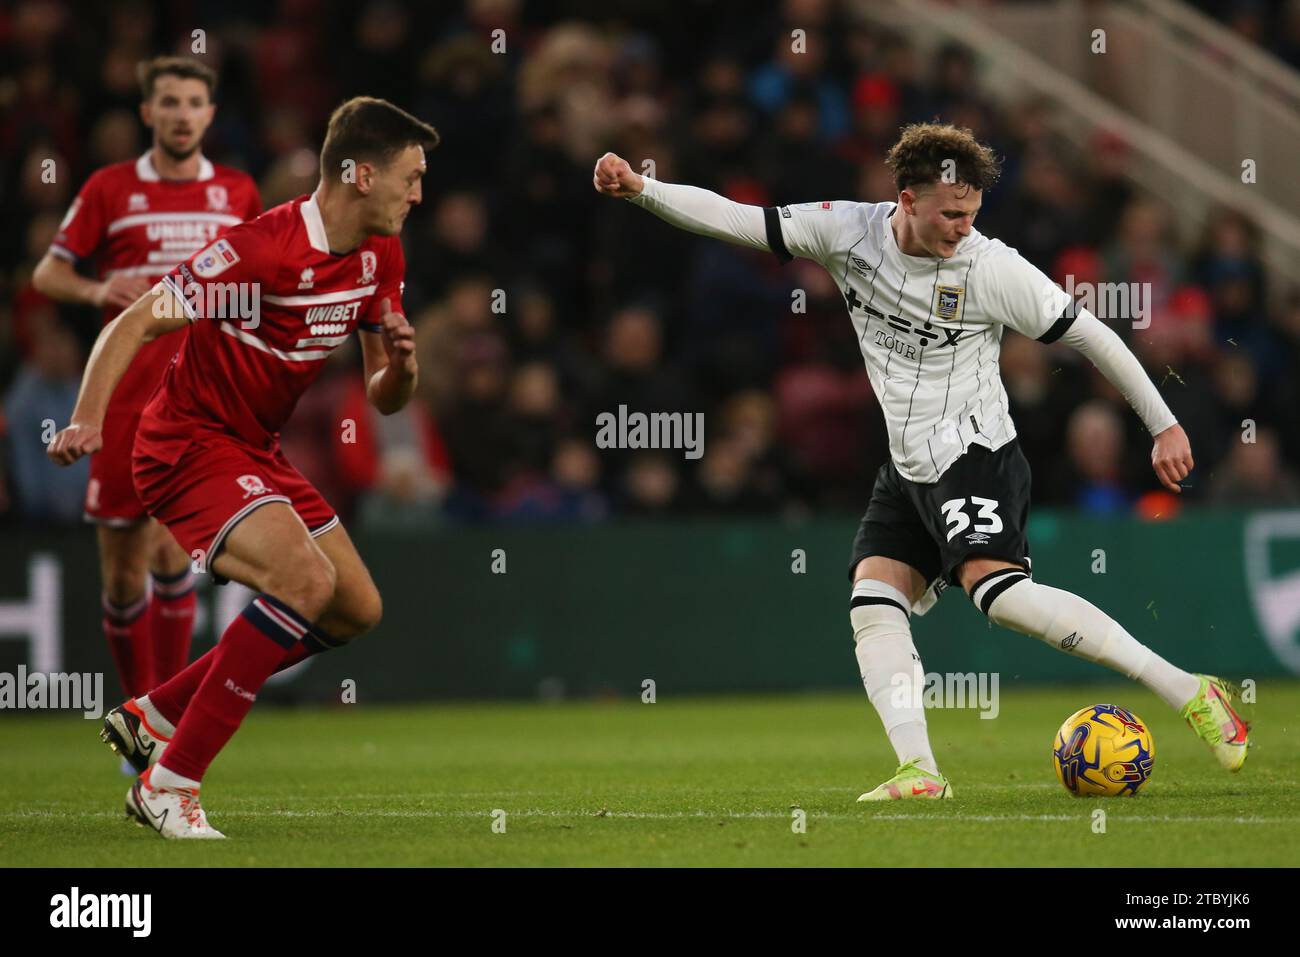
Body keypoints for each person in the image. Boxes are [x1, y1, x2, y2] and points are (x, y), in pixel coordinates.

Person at [592, 121, 1250, 801]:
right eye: (951, 214)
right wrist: (643, 189)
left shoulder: (991, 267)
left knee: (1000, 597)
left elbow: (1092, 336)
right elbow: (738, 220)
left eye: (972, 214)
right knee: (873, 602)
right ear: (906, 200)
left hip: (974, 452)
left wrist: (1163, 423)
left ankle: (1191, 691)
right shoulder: (847, 230)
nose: (963, 227)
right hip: (908, 465)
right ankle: (921, 772)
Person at [48, 96, 438, 837]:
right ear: (359, 174)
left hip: (254, 448)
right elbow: (136, 320)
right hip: (186, 443)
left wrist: (405, 367)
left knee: (356, 606)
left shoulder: (381, 252)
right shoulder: (260, 251)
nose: (418, 194)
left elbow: (386, 399)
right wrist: (87, 418)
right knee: (304, 581)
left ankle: (154, 713)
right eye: (410, 177)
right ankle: (168, 784)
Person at [33, 56, 261, 709]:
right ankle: (138, 716)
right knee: (124, 568)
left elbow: (261, 277)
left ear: (210, 114)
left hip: (199, 400)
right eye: (169, 102)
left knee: (171, 552)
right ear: (147, 112)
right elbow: (48, 273)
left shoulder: (239, 193)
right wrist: (98, 284)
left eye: (194, 102)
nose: (182, 114)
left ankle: (154, 722)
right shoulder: (110, 188)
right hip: (124, 395)